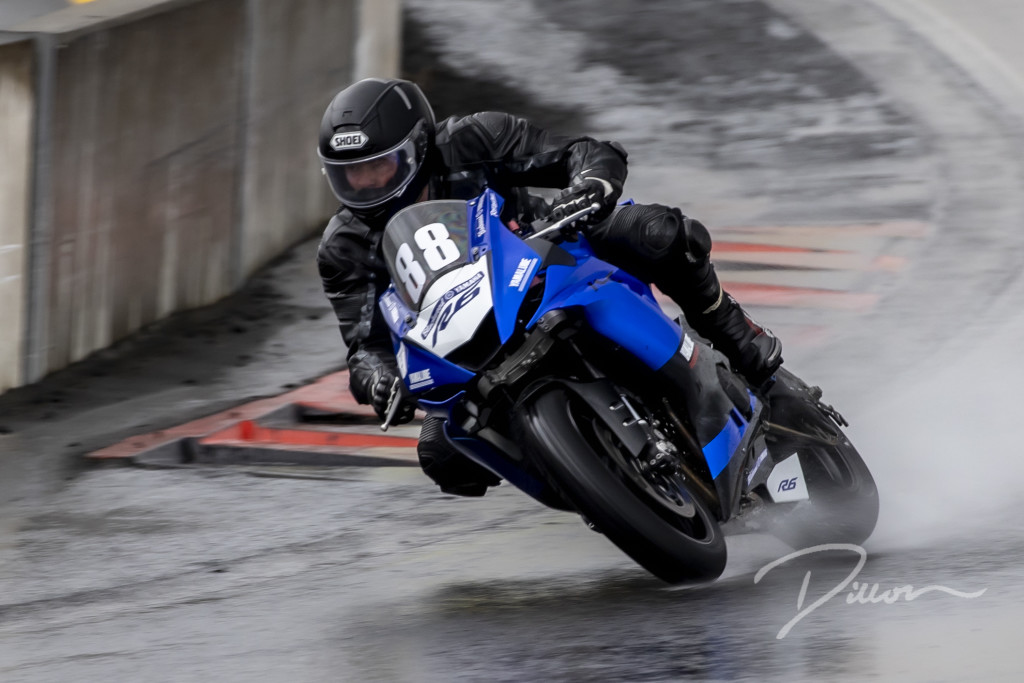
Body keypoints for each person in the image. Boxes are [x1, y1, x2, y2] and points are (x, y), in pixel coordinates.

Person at [316, 78, 782, 496]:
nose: (365, 185)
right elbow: (365, 345)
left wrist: (590, 183)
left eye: (377, 167)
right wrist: (378, 380)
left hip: (550, 254)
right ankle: (595, 484)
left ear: (418, 147)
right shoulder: (343, 247)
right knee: (444, 454)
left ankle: (733, 331)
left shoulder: (472, 139)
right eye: (350, 174)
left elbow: (580, 151)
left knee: (657, 232)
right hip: (466, 347)